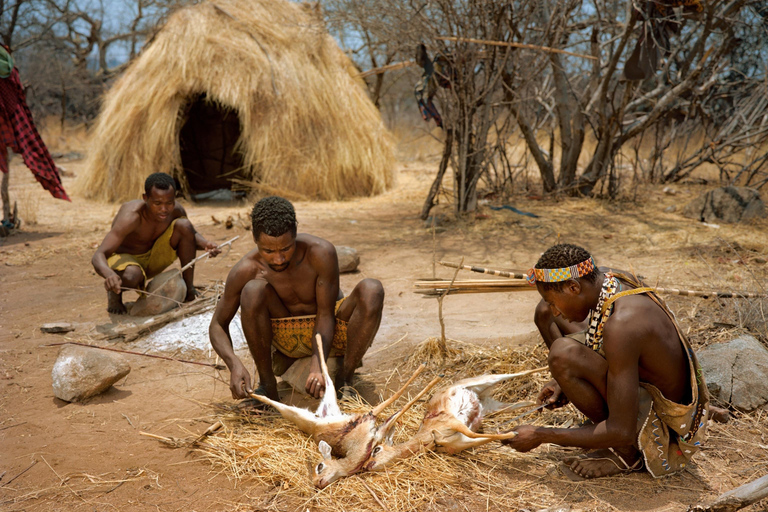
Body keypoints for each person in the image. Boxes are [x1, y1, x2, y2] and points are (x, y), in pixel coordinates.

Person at [504, 243, 710, 480]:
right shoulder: (609, 279)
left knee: (562, 354)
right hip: (636, 377)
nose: (556, 311)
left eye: (554, 301)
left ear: (573, 287)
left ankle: (628, 455)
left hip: (664, 425)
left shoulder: (623, 325)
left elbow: (620, 430)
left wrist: (541, 434)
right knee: (544, 314)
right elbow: (567, 317)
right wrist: (563, 380)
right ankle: (574, 384)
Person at [208, 196, 384, 401]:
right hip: (286, 338)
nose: (278, 258)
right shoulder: (246, 269)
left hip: (330, 328)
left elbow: (326, 313)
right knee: (252, 290)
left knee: (372, 289)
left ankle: (344, 380)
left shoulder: (320, 253)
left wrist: (318, 364)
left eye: (286, 248)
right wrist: (234, 365)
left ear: (295, 234)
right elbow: (217, 325)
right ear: (255, 240)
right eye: (268, 251)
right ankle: (267, 385)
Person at [92, 172, 220, 314]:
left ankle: (189, 288)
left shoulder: (176, 211)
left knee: (184, 225)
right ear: (145, 198)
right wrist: (109, 274)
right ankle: (115, 292)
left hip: (154, 257)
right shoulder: (131, 216)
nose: (164, 209)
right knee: (131, 276)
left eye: (169, 203)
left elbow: (189, 236)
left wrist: (205, 244)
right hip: (126, 261)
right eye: (157, 203)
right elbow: (99, 255)